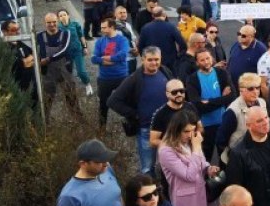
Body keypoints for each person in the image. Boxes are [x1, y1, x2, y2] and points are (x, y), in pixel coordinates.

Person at [108, 46, 171, 174]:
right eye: (150, 60)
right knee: (148, 167)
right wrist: (135, 114)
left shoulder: (165, 72)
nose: (154, 63)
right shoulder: (134, 79)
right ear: (143, 60)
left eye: (157, 59)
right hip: (147, 129)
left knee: (170, 163)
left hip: (168, 127)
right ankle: (150, 189)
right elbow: (112, 101)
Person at [184, 50, 235, 162]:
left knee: (225, 156)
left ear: (212, 58)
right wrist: (221, 99)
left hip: (223, 122)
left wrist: (209, 102)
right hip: (205, 125)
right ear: (197, 63)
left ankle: (224, 177)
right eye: (202, 60)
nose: (206, 62)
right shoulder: (192, 79)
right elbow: (198, 106)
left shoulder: (222, 73)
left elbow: (232, 96)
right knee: (205, 157)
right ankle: (204, 178)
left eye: (208, 58)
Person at [37, 12, 82, 116]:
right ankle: (44, 121)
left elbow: (65, 50)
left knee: (71, 96)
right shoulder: (39, 36)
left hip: (64, 69)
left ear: (58, 21)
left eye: (54, 22)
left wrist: (48, 59)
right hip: (47, 72)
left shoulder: (66, 34)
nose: (52, 25)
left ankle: (79, 119)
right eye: (49, 22)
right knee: (47, 98)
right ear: (44, 23)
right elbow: (35, 52)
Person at [91, 16, 130, 127]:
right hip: (105, 78)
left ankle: (131, 123)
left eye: (104, 28)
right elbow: (94, 58)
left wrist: (105, 58)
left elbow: (122, 55)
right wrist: (108, 60)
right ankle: (102, 128)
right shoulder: (100, 41)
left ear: (112, 27)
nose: (101, 30)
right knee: (103, 104)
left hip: (121, 77)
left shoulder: (122, 40)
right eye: (101, 28)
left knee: (127, 102)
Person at [139, 8, 187, 72]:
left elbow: (140, 46)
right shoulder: (171, 27)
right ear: (164, 15)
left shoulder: (145, 28)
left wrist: (145, 58)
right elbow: (182, 43)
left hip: (152, 62)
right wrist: (179, 56)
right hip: (169, 62)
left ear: (152, 16)